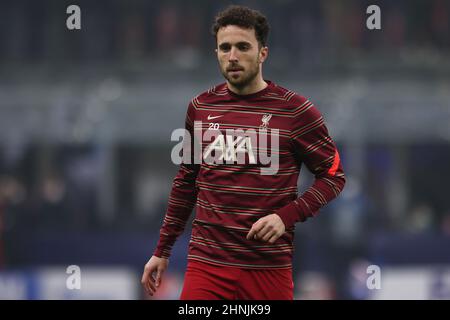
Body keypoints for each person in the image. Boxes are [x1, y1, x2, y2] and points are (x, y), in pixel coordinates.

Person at [141, 5, 345, 300]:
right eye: (225, 48)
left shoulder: (296, 111)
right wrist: (162, 250)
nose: (232, 56)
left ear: (263, 53)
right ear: (216, 54)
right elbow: (186, 182)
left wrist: (285, 217)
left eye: (242, 47)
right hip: (207, 266)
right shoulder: (200, 108)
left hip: (267, 269)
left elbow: (333, 176)